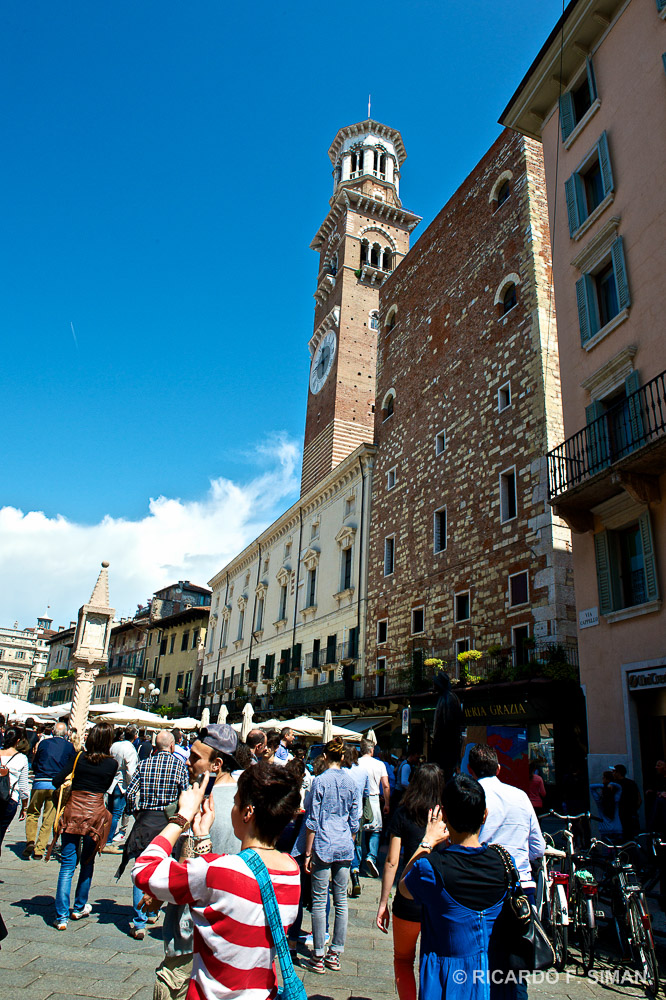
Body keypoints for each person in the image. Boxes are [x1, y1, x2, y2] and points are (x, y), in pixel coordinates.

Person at [133, 762, 301, 1000]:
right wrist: (203, 838)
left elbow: (144, 869)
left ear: (247, 812)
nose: (232, 809)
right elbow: (230, 904)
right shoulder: (291, 871)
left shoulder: (217, 870)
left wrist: (182, 817)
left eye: (235, 802)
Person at [398, 775, 516, 1000]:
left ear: (445, 816)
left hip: (448, 982)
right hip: (497, 980)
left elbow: (403, 889)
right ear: (485, 815)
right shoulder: (504, 862)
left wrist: (427, 842)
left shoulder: (430, 869)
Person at [148, 725, 243, 1000]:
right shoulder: (246, 802)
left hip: (190, 932)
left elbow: (186, 868)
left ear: (216, 764)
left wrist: (156, 894)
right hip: (227, 933)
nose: (187, 762)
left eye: (194, 758)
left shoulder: (200, 805)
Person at [377, 763, 445, 1000]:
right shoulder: (445, 816)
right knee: (431, 960)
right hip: (439, 900)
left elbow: (392, 861)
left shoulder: (403, 812)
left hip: (408, 896)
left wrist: (384, 902)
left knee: (403, 960)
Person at [120, 730, 190, 939]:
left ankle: (139, 922)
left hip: (146, 820)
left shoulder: (144, 764)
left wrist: (135, 811)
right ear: (171, 746)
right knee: (166, 866)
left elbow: (131, 793)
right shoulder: (179, 766)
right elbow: (184, 793)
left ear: (154, 745)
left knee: (142, 866)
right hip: (168, 823)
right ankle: (154, 910)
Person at [51, 722, 118, 930]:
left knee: (67, 865)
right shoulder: (112, 764)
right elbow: (105, 788)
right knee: (87, 862)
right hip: (95, 815)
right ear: (108, 741)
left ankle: (61, 916)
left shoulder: (78, 757)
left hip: (73, 812)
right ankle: (79, 906)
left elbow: (57, 780)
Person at [304, 736, 360, 974]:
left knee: (319, 901)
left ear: (325, 757)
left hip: (324, 844)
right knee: (341, 901)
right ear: (344, 757)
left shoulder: (319, 782)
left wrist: (307, 852)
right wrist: (350, 841)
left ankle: (318, 954)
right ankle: (335, 952)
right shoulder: (352, 783)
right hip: (345, 845)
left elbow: (312, 821)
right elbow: (355, 822)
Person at [468, 744, 545, 905]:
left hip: (482, 885)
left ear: (470, 770)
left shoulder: (470, 798)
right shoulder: (521, 796)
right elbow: (538, 847)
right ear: (498, 769)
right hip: (521, 887)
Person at [23, 721, 76, 860]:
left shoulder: (44, 744)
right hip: (55, 785)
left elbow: (35, 762)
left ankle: (30, 840)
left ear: (53, 732)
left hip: (40, 782)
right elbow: (71, 765)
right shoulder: (69, 747)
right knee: (49, 817)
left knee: (33, 812)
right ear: (65, 733)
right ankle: (40, 849)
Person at [356, 737, 390, 877]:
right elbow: (386, 785)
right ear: (371, 750)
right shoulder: (379, 764)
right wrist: (387, 803)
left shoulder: (356, 763)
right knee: (375, 830)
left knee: (359, 831)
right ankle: (371, 856)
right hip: (374, 799)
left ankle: (356, 863)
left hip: (359, 799)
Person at [103, 726, 139, 853]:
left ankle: (103, 837)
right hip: (122, 785)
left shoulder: (115, 745)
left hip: (111, 782)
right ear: (135, 736)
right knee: (116, 814)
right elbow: (131, 771)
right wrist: (132, 786)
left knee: (109, 812)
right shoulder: (130, 750)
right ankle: (107, 841)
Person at [343, 745, 370, 897]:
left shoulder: (341, 771)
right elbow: (366, 792)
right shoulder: (362, 771)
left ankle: (342, 877)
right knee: (354, 844)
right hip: (357, 813)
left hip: (341, 814)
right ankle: (355, 873)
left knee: (343, 845)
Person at [0, 728, 30, 856]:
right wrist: (24, 806)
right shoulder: (21, 758)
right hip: (9, 800)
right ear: (17, 741)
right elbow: (23, 787)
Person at [612, 763, 642, 840]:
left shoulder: (615, 785)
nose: (613, 773)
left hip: (622, 814)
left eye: (614, 772)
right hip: (631, 813)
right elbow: (639, 799)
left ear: (618, 773)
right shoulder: (631, 783)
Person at [590, 771, 623, 842]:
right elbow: (620, 788)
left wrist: (604, 786)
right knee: (617, 850)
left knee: (606, 850)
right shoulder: (615, 799)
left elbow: (591, 787)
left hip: (605, 829)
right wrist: (611, 784)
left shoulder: (600, 801)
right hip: (617, 828)